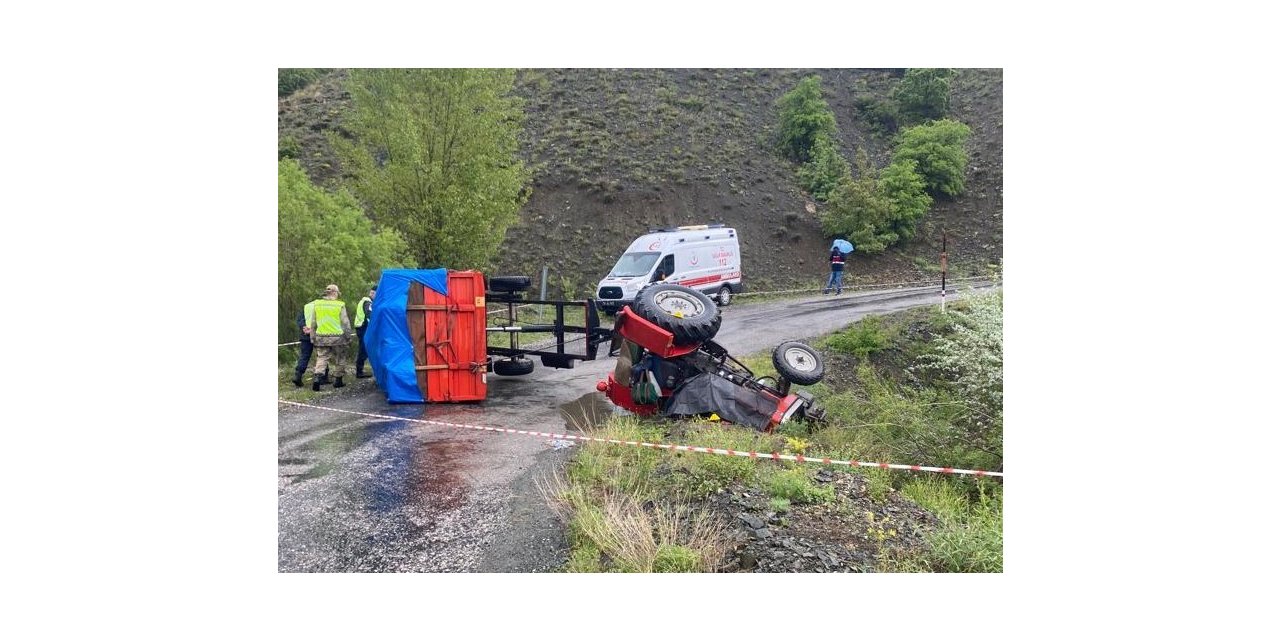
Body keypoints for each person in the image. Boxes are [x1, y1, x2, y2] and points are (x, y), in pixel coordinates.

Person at [309, 284, 353, 391]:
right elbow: (345, 322)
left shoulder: (317, 304)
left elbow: (313, 323)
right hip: (337, 338)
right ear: (334, 293)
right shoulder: (339, 305)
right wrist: (348, 336)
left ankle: (317, 378)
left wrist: (312, 336)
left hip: (321, 337)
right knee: (340, 358)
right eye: (337, 293)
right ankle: (338, 380)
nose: (338, 295)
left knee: (322, 357)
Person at [291, 295, 327, 387]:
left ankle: (297, 376)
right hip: (319, 334)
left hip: (305, 334)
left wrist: (304, 327)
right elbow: (324, 320)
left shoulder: (306, 306)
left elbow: (299, 319)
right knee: (322, 355)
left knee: (304, 356)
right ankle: (321, 378)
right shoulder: (323, 306)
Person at [354, 285, 376, 378]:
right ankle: (359, 372)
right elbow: (369, 314)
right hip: (363, 328)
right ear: (373, 293)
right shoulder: (367, 302)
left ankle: (360, 370)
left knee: (364, 348)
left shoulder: (365, 301)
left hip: (361, 327)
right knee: (363, 349)